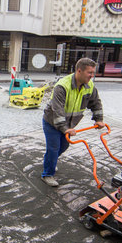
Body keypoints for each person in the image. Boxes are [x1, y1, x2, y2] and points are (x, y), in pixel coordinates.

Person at [41, 57, 105, 187]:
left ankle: (50, 161)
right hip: (52, 122)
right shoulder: (62, 86)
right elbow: (57, 110)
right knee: (53, 148)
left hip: (69, 125)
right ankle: (47, 174)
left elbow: (96, 103)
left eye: (93, 72)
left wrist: (99, 119)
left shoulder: (89, 86)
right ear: (79, 71)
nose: (92, 76)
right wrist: (64, 128)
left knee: (64, 146)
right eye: (89, 73)